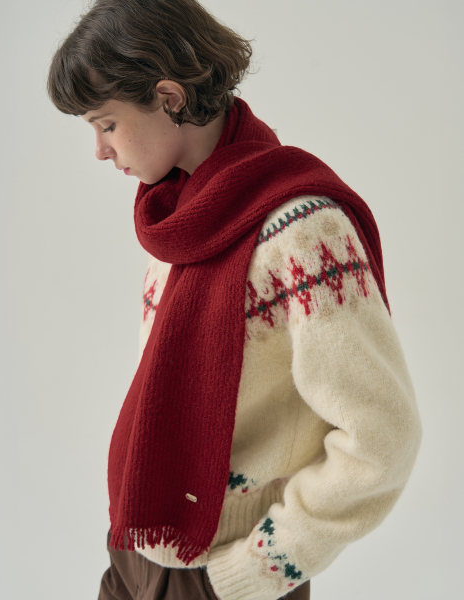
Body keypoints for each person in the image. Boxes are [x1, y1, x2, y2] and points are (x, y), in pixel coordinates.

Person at [47, 1, 423, 599]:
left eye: (107, 124)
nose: (99, 149)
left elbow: (384, 435)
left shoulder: (302, 232)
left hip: (220, 571)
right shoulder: (178, 220)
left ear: (169, 97)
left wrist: (255, 570)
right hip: (136, 547)